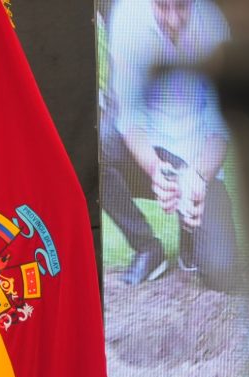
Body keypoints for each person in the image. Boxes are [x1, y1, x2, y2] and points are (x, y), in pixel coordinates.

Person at [102, 0, 237, 289]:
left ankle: (190, 232)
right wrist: (153, 168)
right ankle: (148, 247)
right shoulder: (127, 17)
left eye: (182, 7)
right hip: (148, 149)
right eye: (163, 7)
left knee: (222, 272)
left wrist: (198, 177)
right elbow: (129, 118)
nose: (174, 20)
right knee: (101, 145)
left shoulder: (215, 25)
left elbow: (220, 128)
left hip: (197, 156)